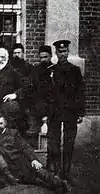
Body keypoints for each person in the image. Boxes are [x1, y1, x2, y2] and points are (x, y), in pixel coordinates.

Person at [0, 113, 71, 192]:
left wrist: (34, 159)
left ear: (5, 123)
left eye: (1, 123)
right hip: (7, 168)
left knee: (40, 172)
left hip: (21, 163)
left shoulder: (14, 133)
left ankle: (61, 184)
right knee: (35, 181)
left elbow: (25, 147)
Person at [47, 40, 85, 182]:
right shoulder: (51, 70)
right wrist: (46, 112)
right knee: (54, 142)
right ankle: (57, 172)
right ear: (56, 53)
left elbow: (80, 92)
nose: (62, 54)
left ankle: (66, 173)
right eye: (60, 52)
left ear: (68, 52)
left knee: (69, 143)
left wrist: (81, 112)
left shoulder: (75, 70)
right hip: (55, 112)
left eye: (65, 51)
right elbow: (47, 93)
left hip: (70, 111)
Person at [25, 45, 54, 146]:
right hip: (36, 109)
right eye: (41, 57)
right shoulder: (35, 71)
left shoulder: (55, 70)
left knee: (52, 137)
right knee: (32, 134)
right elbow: (30, 90)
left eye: (45, 57)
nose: (43, 60)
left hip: (52, 109)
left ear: (51, 56)